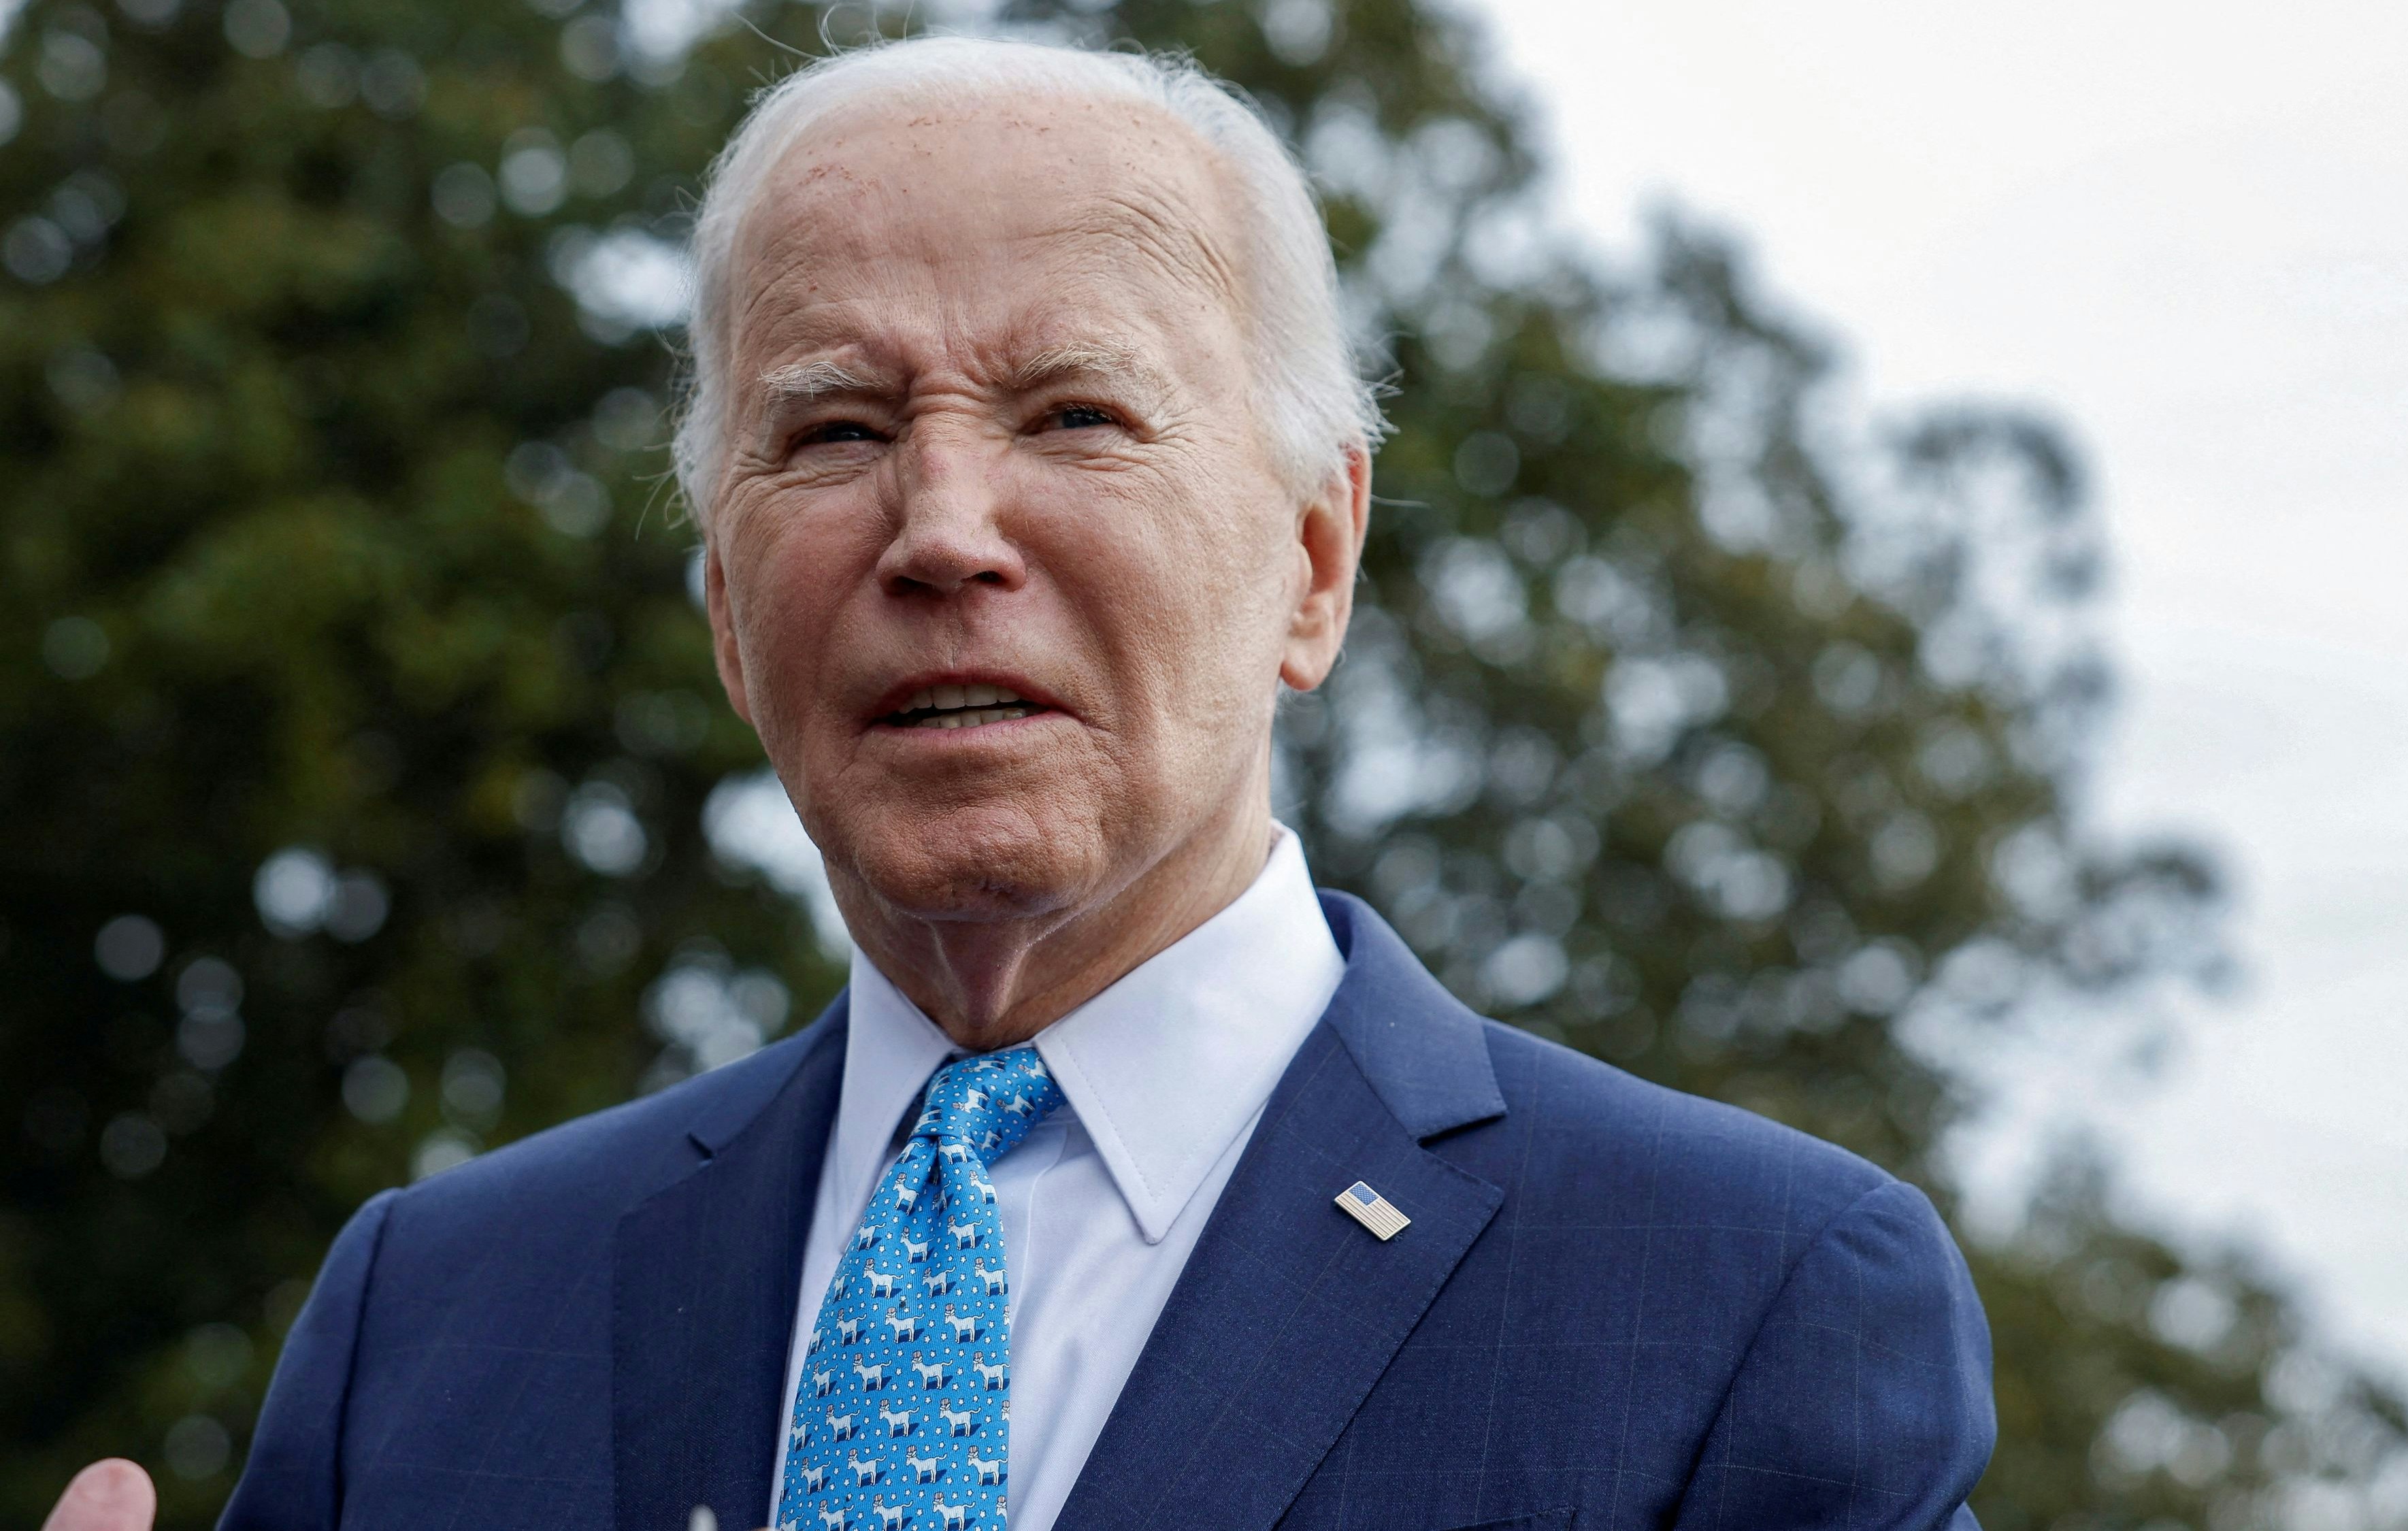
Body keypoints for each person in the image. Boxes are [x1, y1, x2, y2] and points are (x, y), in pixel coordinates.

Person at [43, 36, 1993, 1531]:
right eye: (835, 429)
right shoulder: (431, 1321)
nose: (943, 529)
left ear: (1314, 562)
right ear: (727, 615)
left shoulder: (1738, 1303)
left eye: (1075, 413)